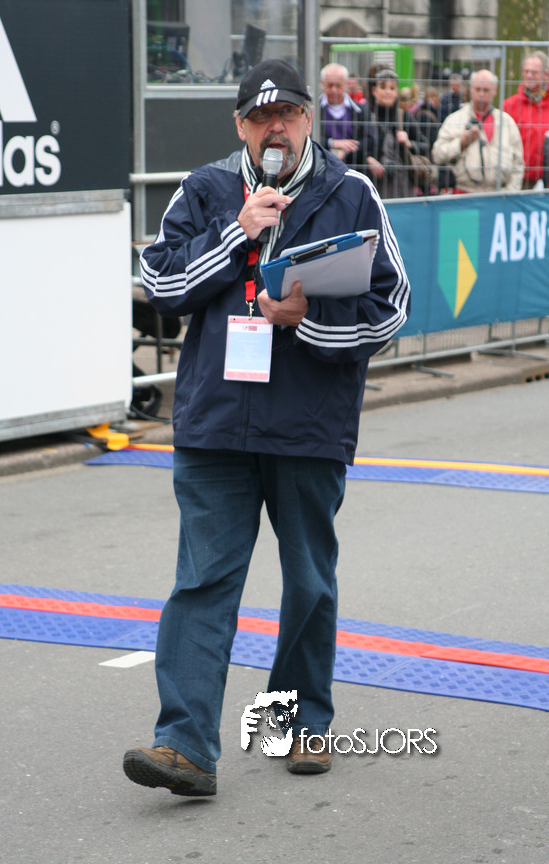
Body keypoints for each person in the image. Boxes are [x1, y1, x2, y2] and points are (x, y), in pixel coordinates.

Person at [122, 58, 410, 797]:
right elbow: (160, 284)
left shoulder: (353, 193)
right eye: (259, 117)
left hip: (309, 425)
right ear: (240, 126)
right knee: (201, 583)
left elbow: (393, 309)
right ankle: (184, 745)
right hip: (215, 424)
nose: (273, 128)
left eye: (286, 114)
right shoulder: (208, 188)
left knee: (308, 582)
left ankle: (299, 723)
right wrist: (235, 234)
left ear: (309, 118)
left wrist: (308, 320)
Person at [432, 69, 524, 193]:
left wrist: (509, 193)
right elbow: (437, 155)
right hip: (463, 195)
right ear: (471, 89)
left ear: (495, 91)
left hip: (498, 195)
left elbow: (518, 164)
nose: (481, 94)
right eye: (477, 89)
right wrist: (460, 143)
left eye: (486, 90)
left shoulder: (507, 123)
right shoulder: (454, 120)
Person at [366, 68, 431, 199]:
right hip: (371, 188)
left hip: (402, 189)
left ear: (396, 92)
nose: (388, 92)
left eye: (392, 88)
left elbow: (426, 145)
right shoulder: (366, 116)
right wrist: (368, 159)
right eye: (383, 87)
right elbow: (356, 145)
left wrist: (408, 143)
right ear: (374, 91)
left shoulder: (404, 117)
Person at [503, 51, 549, 189]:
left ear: (545, 75)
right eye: (526, 71)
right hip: (519, 180)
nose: (529, 76)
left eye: (534, 72)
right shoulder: (509, 105)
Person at [319, 62, 376, 172]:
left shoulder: (360, 110)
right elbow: (309, 138)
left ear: (346, 84)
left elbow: (370, 140)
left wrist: (346, 150)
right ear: (323, 84)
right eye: (330, 85)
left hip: (354, 169)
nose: (334, 90)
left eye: (338, 85)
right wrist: (332, 143)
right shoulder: (315, 110)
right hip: (321, 170)